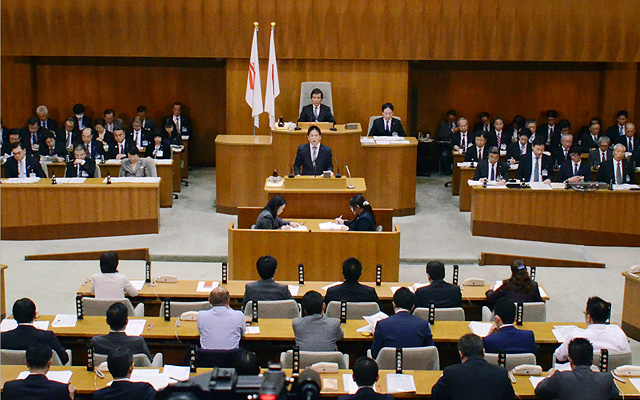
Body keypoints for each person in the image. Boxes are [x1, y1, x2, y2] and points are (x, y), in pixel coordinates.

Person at [431, 333, 515, 400]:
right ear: (483, 352)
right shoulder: (501, 374)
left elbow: (436, 395)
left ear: (460, 354)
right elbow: (510, 397)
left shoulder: (451, 373)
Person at [553, 296, 630, 363]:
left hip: (583, 375)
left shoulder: (576, 337)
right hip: (613, 375)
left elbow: (559, 356)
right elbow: (627, 357)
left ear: (589, 317)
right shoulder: (619, 335)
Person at [538, 338, 619, 400]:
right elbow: (615, 395)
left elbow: (540, 391)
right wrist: (599, 375)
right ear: (592, 361)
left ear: (570, 360)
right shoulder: (606, 378)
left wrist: (549, 377)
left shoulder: (559, 377)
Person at [370, 287, 434, 358]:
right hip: (417, 363)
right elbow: (431, 351)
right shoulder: (424, 325)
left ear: (393, 304)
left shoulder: (382, 325)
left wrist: (376, 335)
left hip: (389, 364)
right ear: (413, 307)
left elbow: (374, 354)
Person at [1, 298, 69, 365]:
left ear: (14, 316)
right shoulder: (47, 336)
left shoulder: (3, 338)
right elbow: (64, 359)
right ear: (35, 315)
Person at [2, 343, 75, 400]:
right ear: (49, 363)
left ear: (26, 363)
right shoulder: (61, 390)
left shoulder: (10, 388)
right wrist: (70, 397)